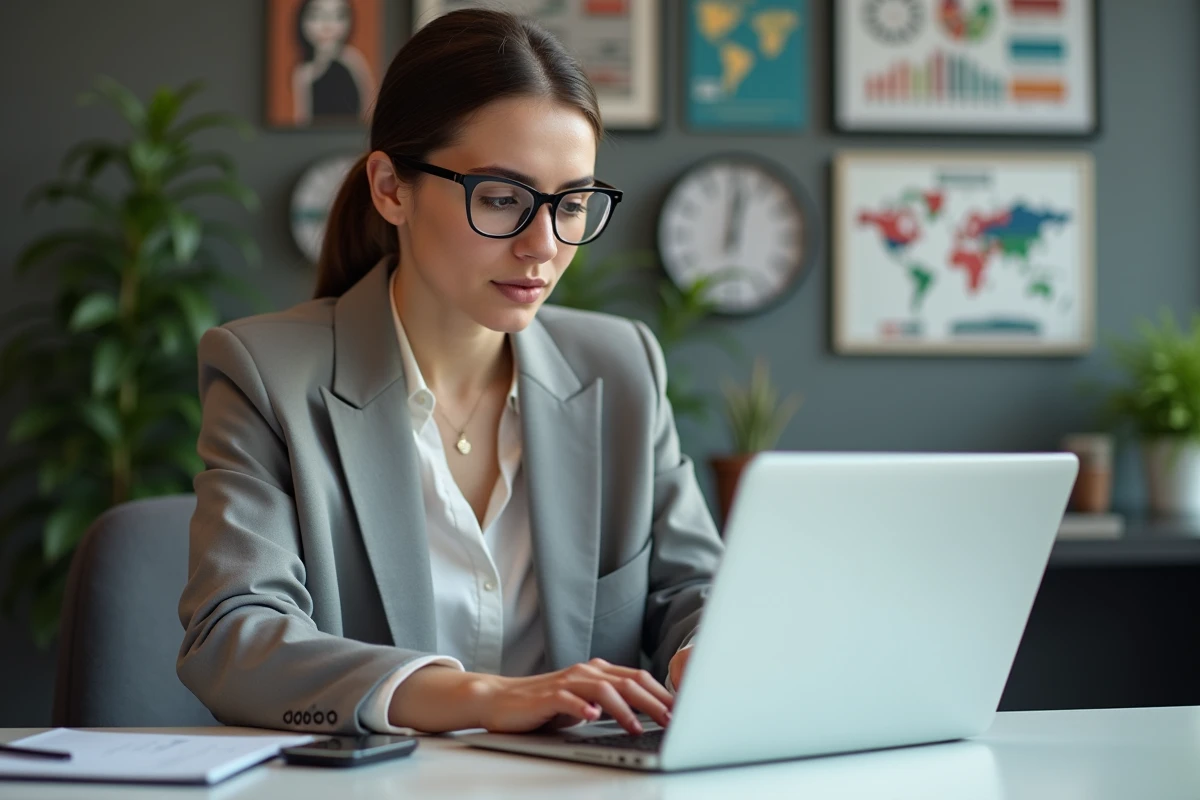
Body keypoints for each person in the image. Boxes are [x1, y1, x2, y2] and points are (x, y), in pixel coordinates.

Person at [178, 8, 723, 737]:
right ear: (390, 188)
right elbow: (233, 637)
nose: (544, 245)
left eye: (573, 204)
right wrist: (486, 698)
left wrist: (703, 650)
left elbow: (692, 588)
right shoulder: (268, 374)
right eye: (502, 199)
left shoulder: (621, 367)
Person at [292, 0, 376, 124]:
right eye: (316, 16)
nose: (327, 25)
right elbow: (302, 119)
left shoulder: (352, 59)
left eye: (338, 16)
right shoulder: (304, 73)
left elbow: (371, 102)